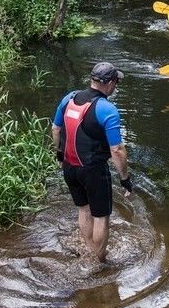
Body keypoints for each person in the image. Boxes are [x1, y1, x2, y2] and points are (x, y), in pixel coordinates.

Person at [51, 62, 132, 263]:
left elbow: (55, 129)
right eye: (116, 82)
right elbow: (117, 149)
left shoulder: (68, 98)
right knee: (101, 216)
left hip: (70, 168)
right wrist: (125, 179)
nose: (116, 87)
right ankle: (100, 259)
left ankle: (89, 250)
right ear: (110, 83)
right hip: (93, 171)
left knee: (84, 209)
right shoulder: (107, 109)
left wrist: (60, 155)